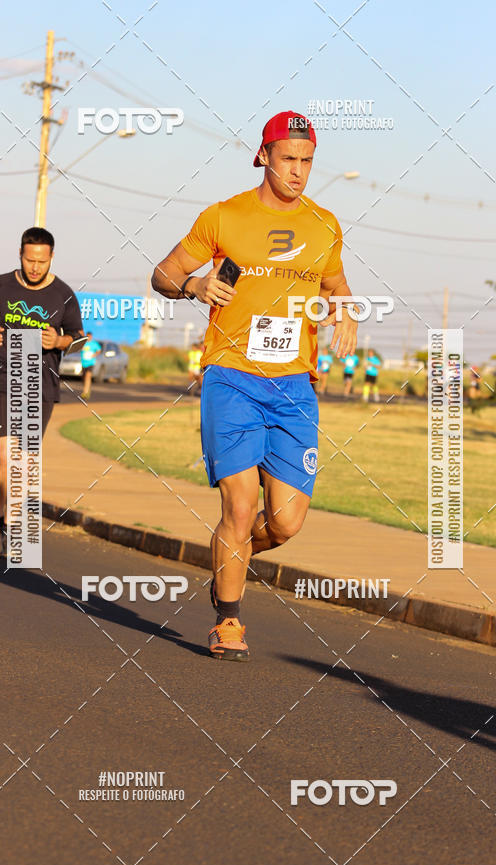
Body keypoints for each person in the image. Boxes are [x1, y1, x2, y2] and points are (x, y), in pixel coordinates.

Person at [152, 110, 358, 661]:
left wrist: (346, 311)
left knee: (286, 522)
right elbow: (163, 275)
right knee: (240, 508)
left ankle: (230, 559)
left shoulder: (324, 224)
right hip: (232, 377)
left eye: (307, 161)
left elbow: (336, 284)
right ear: (264, 156)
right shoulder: (224, 217)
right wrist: (195, 286)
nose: (298, 171)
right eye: (288, 158)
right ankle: (228, 620)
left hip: (294, 386)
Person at [0, 226, 83, 557]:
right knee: (3, 455)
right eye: (29, 260)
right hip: (0, 375)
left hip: (38, 381)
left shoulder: (63, 294)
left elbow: (79, 338)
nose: (35, 267)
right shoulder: (1, 284)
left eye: (41, 261)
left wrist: (59, 341)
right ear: (20, 255)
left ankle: (8, 523)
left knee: (23, 461)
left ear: (52, 258)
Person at [80, 332, 102, 400]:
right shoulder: (83, 343)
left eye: (89, 336)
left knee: (88, 376)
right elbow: (78, 349)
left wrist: (94, 355)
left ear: (91, 337)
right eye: (87, 336)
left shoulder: (94, 344)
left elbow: (99, 350)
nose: (88, 338)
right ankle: (87, 389)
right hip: (84, 363)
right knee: (84, 378)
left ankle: (85, 392)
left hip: (91, 363)